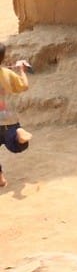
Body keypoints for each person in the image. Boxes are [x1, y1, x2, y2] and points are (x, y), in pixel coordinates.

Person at [0, 46, 33, 189]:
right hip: (9, 120)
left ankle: (0, 179)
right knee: (17, 146)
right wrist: (21, 71)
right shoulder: (7, 73)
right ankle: (18, 135)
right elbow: (25, 86)